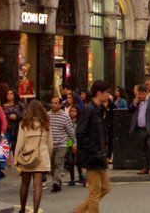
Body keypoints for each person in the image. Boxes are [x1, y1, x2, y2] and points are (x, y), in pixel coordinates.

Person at [72, 81, 112, 213]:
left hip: (99, 155)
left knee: (105, 188)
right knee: (95, 193)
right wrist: (95, 149)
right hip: (92, 157)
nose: (108, 95)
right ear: (99, 93)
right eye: (106, 93)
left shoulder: (99, 110)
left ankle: (77, 211)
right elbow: (80, 133)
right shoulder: (89, 110)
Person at [14, 100, 51, 213]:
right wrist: (48, 157)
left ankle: (23, 209)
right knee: (38, 185)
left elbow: (20, 143)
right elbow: (50, 144)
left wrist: (16, 159)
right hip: (41, 156)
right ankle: (35, 211)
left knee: (24, 184)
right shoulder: (46, 123)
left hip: (27, 157)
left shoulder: (24, 124)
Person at [129, 83, 150, 178]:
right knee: (142, 149)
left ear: (146, 93)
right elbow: (129, 110)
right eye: (139, 94)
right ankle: (145, 167)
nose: (140, 96)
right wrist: (135, 103)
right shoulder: (136, 101)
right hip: (140, 128)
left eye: (142, 94)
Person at [47, 96, 72, 192]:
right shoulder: (47, 115)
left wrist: (74, 143)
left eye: (55, 103)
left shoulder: (65, 116)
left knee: (58, 162)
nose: (53, 105)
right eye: (52, 103)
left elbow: (70, 131)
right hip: (50, 144)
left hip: (61, 144)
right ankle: (56, 181)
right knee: (52, 165)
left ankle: (56, 182)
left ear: (60, 105)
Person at [1, 87, 24, 153]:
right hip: (7, 129)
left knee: (17, 148)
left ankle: (15, 162)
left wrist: (17, 116)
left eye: (11, 94)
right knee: (5, 147)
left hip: (17, 129)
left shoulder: (19, 104)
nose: (8, 95)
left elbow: (25, 113)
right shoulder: (3, 105)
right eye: (7, 94)